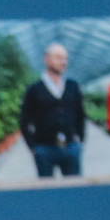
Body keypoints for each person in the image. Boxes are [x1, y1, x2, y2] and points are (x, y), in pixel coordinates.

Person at [18, 42, 85, 179]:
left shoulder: (72, 86)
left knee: (74, 190)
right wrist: (33, 147)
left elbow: (81, 115)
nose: (63, 62)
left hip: (71, 148)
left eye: (65, 58)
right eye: (59, 58)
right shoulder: (34, 89)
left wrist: (80, 142)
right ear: (46, 59)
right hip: (44, 149)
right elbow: (24, 120)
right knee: (46, 191)